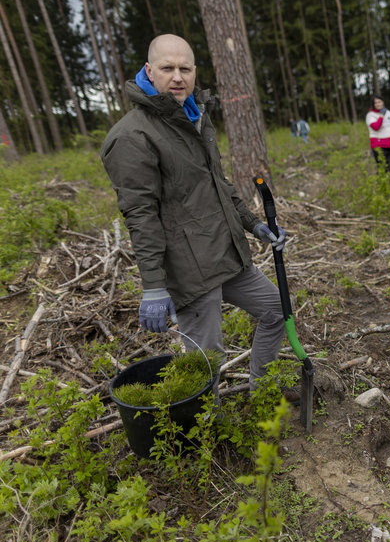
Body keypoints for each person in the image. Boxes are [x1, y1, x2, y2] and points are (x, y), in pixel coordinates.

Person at [101, 34, 289, 393]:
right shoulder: (131, 136)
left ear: (194, 72)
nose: (177, 77)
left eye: (184, 68)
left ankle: (261, 392)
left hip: (226, 253)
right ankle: (207, 434)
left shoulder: (194, 116)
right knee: (207, 358)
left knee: (277, 309)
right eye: (167, 68)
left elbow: (217, 184)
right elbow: (140, 216)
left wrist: (253, 225)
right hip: (188, 268)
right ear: (148, 71)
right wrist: (154, 287)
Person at [366, 95, 390, 172]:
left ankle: (389, 183)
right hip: (379, 145)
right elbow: (376, 127)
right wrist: (381, 116)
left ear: (383, 102)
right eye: (375, 103)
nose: (378, 104)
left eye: (379, 102)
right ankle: (381, 184)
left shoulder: (388, 112)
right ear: (373, 104)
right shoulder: (370, 115)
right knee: (382, 168)